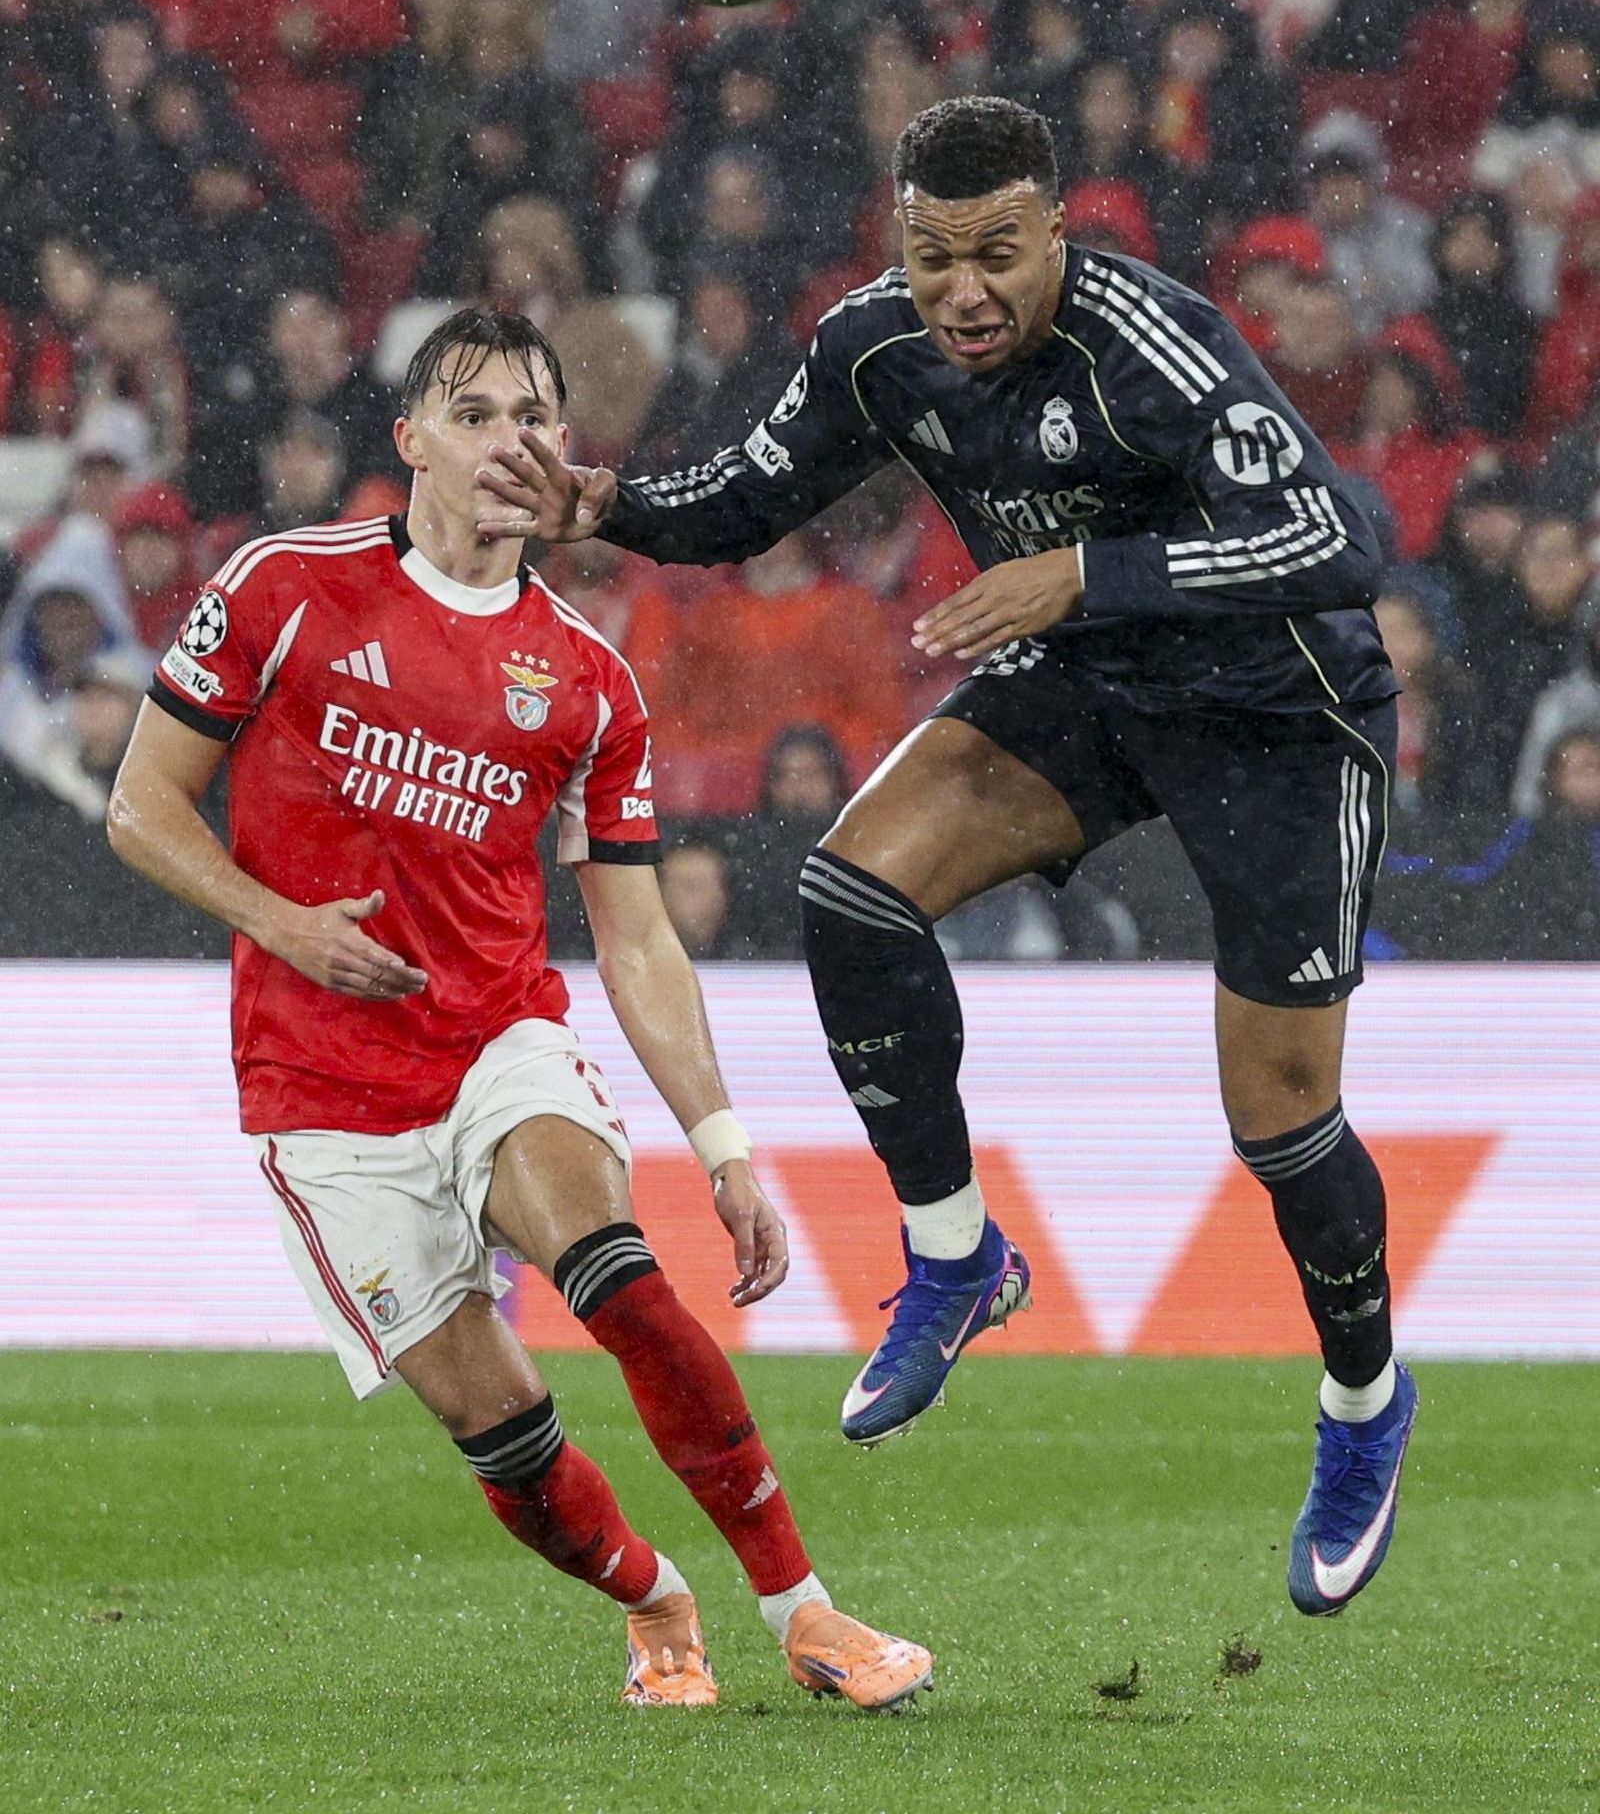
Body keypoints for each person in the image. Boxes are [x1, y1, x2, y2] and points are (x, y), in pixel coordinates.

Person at [479, 96, 1417, 1620]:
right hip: (1093, 680)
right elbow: (749, 498)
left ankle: (1367, 1403)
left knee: (1282, 1115)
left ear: (1057, 233)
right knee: (849, 892)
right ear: (898, 246)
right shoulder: (876, 345)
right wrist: (615, 506)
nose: (964, 293)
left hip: (1276, 712)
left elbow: (1334, 541)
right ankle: (956, 1257)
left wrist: (1079, 572)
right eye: (932, 259)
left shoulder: (1153, 345)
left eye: (997, 254)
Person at [105, 306, 930, 1715]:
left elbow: (638, 940)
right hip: (319, 1091)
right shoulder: (281, 588)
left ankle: (807, 1611)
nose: (510, 442)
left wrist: (725, 1149)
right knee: (507, 1440)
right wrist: (280, 922)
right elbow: (140, 806)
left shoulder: (592, 682)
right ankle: (655, 1604)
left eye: (536, 417)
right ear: (409, 438)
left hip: (497, 1041)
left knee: (617, 1273)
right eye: (475, 413)